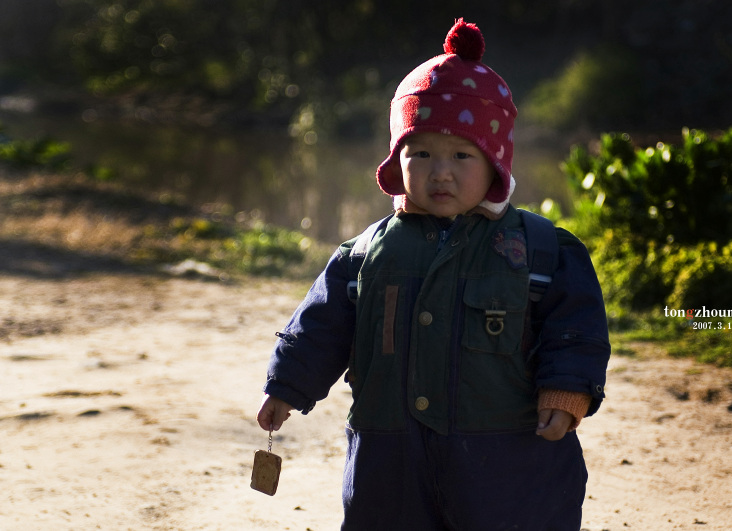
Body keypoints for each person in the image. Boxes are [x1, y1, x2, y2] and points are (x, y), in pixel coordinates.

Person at [257, 18, 610, 530]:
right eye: (419, 153)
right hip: (391, 461)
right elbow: (321, 327)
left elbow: (575, 329)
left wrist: (567, 391)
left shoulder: (542, 251)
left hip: (505, 464)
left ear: (495, 163)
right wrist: (287, 386)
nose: (439, 171)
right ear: (396, 160)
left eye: (461, 155)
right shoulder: (363, 254)